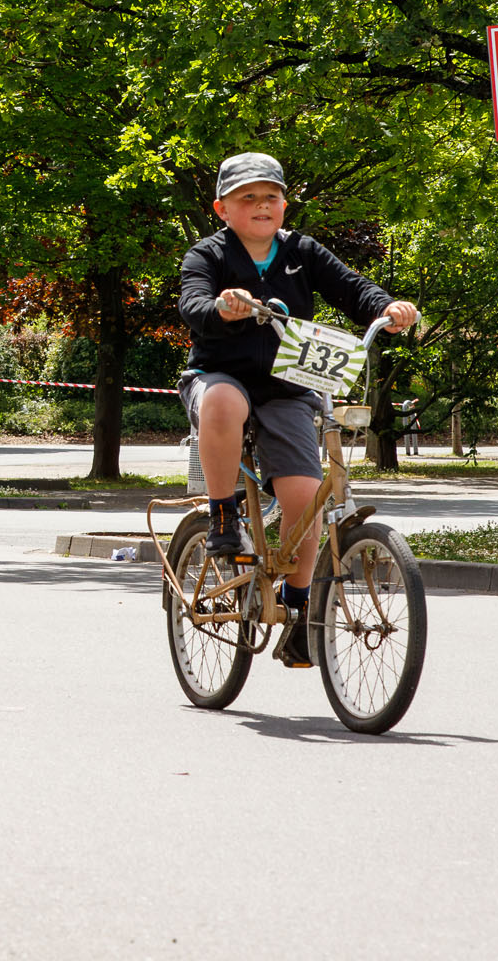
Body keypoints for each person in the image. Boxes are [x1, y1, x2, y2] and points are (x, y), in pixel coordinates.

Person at [177, 152, 418, 668]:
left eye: (271, 197)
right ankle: (223, 516)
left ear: (285, 204)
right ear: (222, 208)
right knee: (222, 399)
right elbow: (192, 304)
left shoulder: (303, 252)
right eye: (248, 198)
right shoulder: (208, 255)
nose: (262, 206)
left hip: (286, 387)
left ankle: (297, 606)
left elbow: (352, 288)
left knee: (306, 500)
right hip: (221, 378)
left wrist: (387, 308)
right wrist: (221, 306)